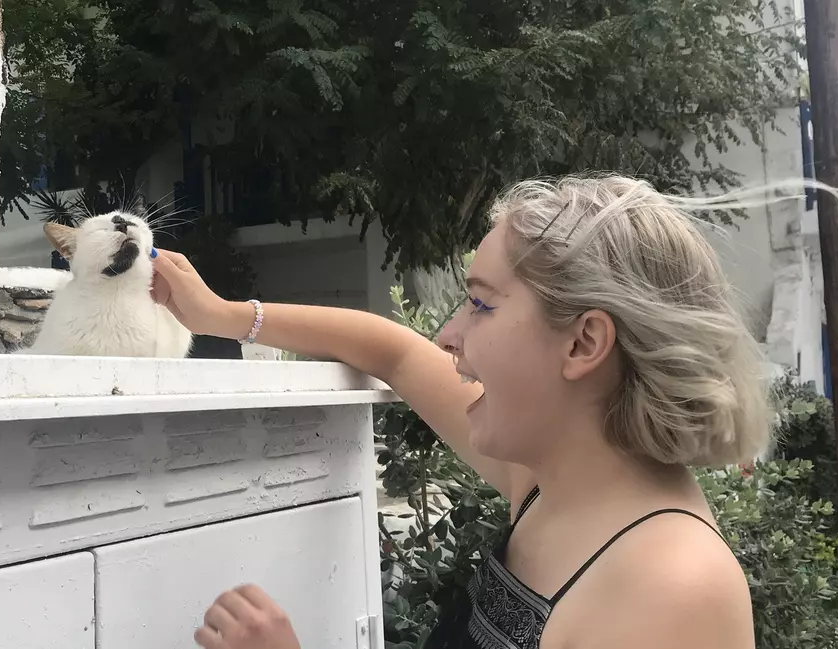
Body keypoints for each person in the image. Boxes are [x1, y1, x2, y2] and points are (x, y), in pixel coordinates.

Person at [150, 174, 774, 649]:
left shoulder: (673, 589)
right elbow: (394, 352)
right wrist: (222, 316)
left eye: (481, 304)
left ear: (584, 342)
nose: (448, 336)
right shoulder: (553, 484)